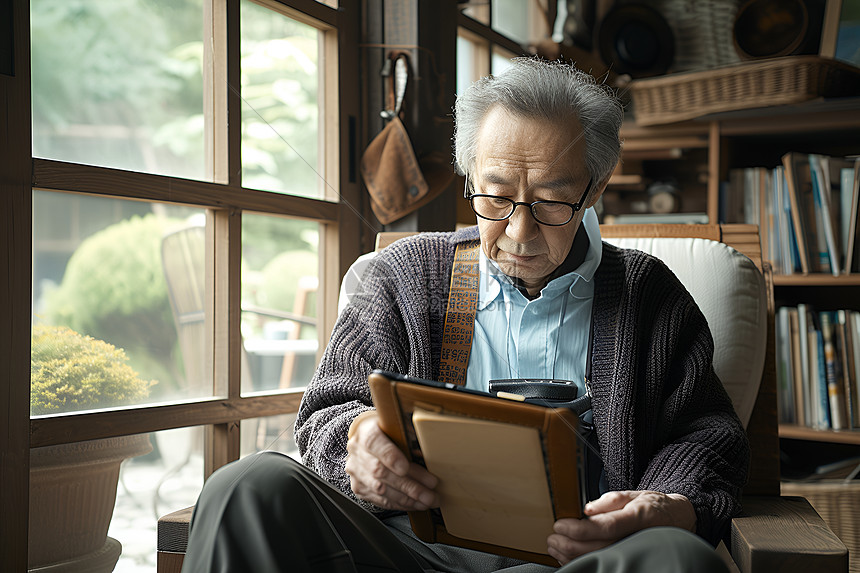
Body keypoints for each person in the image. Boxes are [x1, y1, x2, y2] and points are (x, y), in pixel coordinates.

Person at [181, 57, 749, 573]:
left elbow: (706, 437)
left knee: (676, 557)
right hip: (408, 554)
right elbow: (330, 411)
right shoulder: (403, 277)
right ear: (470, 177)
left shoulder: (648, 297)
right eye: (496, 196)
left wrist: (667, 508)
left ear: (595, 188)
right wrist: (359, 445)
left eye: (552, 201)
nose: (519, 233)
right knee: (246, 485)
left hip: (575, 564)